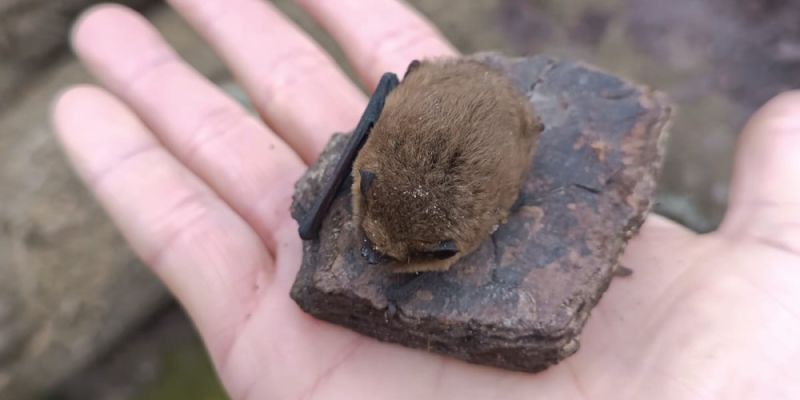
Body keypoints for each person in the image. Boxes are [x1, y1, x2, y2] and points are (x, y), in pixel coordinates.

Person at [52, 1, 799, 398]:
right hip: (439, 123)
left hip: (483, 133)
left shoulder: (446, 231)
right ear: (358, 182)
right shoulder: (377, 190)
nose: (372, 254)